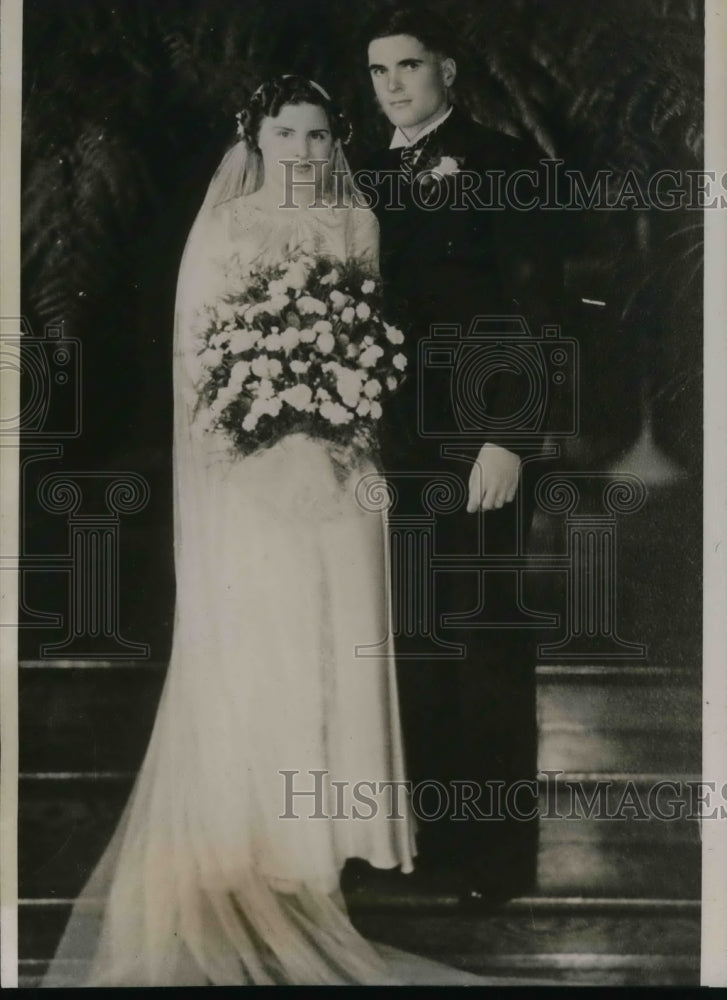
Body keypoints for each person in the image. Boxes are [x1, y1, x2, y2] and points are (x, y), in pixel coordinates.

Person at [40, 74, 543, 988]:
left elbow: (372, 341)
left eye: (319, 136)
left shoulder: (357, 224)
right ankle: (258, 836)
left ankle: (329, 840)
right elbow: (198, 361)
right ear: (257, 138)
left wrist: (337, 409)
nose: (306, 152)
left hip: (345, 467)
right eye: (287, 134)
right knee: (267, 642)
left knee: (335, 642)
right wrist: (261, 431)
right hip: (250, 473)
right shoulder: (225, 227)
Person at [362, 6, 561, 905]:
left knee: (484, 645)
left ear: (447, 71)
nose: (392, 85)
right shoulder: (356, 172)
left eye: (408, 66)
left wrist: (508, 438)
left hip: (477, 440)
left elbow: (535, 313)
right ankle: (426, 848)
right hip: (382, 441)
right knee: (411, 641)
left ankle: (494, 863)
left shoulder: (508, 164)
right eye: (377, 71)